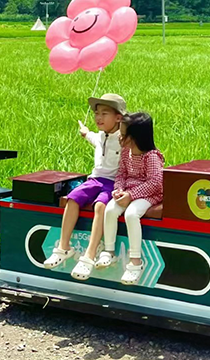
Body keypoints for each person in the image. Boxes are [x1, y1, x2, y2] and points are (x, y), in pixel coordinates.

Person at [43, 93, 126, 280]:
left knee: (100, 206)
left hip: (113, 183)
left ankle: (89, 255)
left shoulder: (124, 139)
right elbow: (90, 137)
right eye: (97, 113)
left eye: (105, 113)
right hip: (94, 180)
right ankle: (64, 247)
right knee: (72, 199)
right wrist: (85, 132)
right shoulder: (101, 136)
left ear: (118, 118)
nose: (99, 117)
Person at [95, 111, 164, 285]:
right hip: (127, 192)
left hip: (149, 195)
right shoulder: (126, 153)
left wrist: (131, 195)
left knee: (131, 214)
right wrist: (118, 190)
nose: (120, 138)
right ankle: (109, 251)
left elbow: (155, 183)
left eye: (124, 135)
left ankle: (135, 262)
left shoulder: (152, 157)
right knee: (110, 209)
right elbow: (121, 174)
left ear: (136, 137)